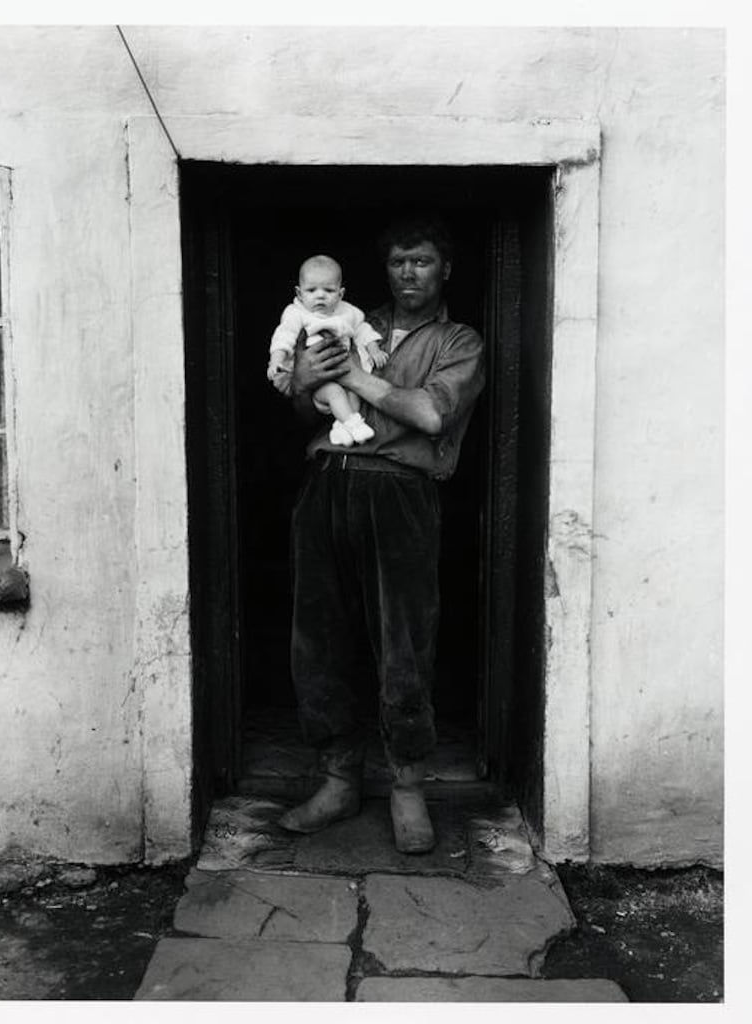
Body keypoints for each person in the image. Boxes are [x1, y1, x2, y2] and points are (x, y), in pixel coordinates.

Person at [278, 215, 486, 854]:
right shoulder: (342, 315)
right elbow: (296, 397)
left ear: (443, 268)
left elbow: (428, 412)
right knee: (319, 638)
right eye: (398, 262)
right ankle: (338, 781)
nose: (409, 273)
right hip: (328, 481)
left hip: (400, 491)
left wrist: (358, 378)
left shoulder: (459, 340)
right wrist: (311, 377)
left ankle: (406, 788)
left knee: (403, 641)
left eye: (421, 261)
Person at [267, 254, 388, 446]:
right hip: (316, 380)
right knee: (335, 393)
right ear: (299, 293)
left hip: (345, 372)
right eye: (312, 290)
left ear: (340, 294)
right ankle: (354, 424)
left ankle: (341, 429)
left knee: (355, 393)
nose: (320, 295)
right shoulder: (297, 313)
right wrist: (276, 360)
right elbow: (284, 337)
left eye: (329, 290)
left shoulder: (348, 311)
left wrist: (374, 350)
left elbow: (363, 331)